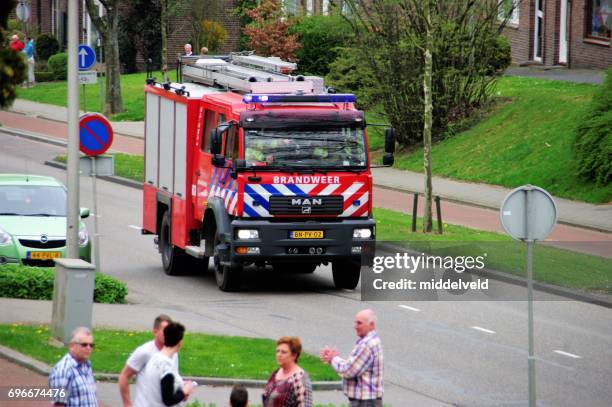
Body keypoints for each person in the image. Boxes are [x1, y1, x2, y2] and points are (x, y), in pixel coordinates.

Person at [320, 309, 383, 407]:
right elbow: (354, 365)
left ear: (372, 325)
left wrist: (333, 358)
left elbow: (349, 370)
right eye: (355, 323)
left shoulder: (366, 345)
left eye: (359, 323)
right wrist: (334, 358)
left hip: (365, 402)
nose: (355, 326)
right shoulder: (372, 341)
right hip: (368, 400)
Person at [118, 314, 174, 407]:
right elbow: (124, 376)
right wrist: (127, 404)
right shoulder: (144, 352)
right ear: (155, 332)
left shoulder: (173, 353)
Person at [133, 322, 193, 407]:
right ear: (180, 343)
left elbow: (158, 388)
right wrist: (184, 391)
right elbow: (168, 400)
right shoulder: (166, 367)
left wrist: (180, 386)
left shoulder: (153, 358)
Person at [48, 327, 98, 407]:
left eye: (91, 345)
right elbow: (58, 405)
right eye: (84, 345)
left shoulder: (86, 366)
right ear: (72, 346)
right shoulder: (63, 371)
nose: (88, 348)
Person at [262, 336, 312, 407]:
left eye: (283, 352)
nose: (279, 355)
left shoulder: (300, 379)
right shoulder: (276, 373)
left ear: (294, 355)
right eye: (277, 351)